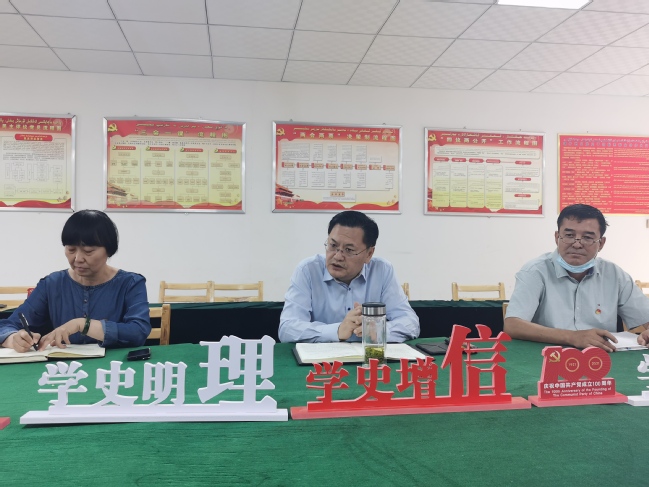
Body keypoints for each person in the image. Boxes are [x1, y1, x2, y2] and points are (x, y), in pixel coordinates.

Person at [0, 210, 151, 352]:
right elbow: (7, 326)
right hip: (61, 367)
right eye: (71, 250)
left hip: (113, 367)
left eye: (88, 251)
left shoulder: (131, 283)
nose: (78, 259)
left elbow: (138, 332)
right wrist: (14, 339)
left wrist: (83, 324)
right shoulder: (52, 284)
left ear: (109, 250)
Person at [504, 204, 649, 352]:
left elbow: (645, 315)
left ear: (601, 243)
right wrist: (572, 337)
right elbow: (513, 325)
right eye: (569, 235)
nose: (577, 244)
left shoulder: (614, 275)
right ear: (557, 237)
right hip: (547, 357)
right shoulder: (535, 271)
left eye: (587, 237)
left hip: (601, 358)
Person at [279, 210, 419, 343]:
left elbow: (410, 323)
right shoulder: (308, 270)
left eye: (349, 250)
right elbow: (287, 329)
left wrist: (376, 330)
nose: (337, 256)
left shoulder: (382, 270)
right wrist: (338, 330)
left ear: (369, 254)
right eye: (333, 245)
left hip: (368, 356)